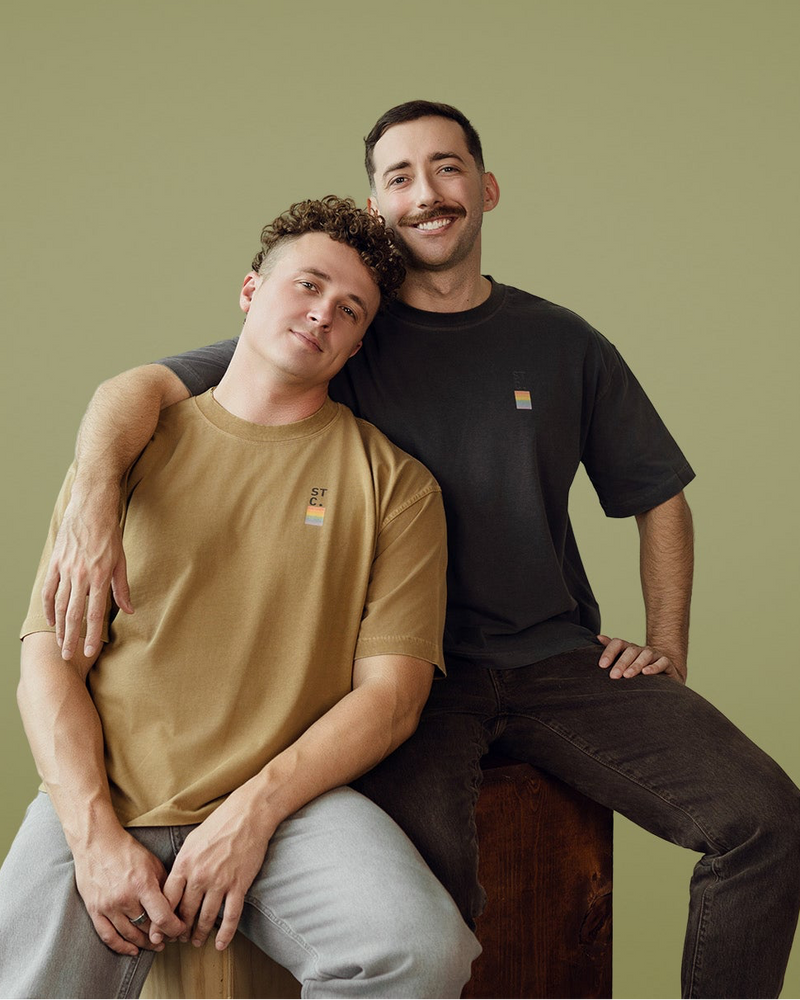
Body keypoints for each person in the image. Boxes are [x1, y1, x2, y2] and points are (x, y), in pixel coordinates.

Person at [39, 103, 799, 998]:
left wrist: (666, 641)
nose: (426, 192)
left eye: (447, 168)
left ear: (486, 188)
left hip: (555, 656)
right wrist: (91, 496)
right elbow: (137, 390)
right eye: (398, 176)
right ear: (378, 203)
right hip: (406, 683)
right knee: (424, 912)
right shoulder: (340, 324)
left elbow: (659, 495)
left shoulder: (561, 342)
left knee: (766, 822)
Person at [0, 195, 481, 1000]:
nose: (324, 312)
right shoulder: (119, 459)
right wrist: (90, 836)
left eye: (350, 308)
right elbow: (47, 665)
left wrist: (253, 814)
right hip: (109, 787)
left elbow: (393, 700)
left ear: (361, 340)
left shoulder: (396, 486)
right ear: (252, 291)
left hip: (291, 807)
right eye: (308, 285)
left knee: (420, 951)